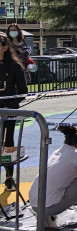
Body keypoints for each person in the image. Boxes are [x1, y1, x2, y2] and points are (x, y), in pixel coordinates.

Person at [0, 33, 27, 189]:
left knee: (8, 142)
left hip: (8, 110)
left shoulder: (15, 66)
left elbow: (23, 91)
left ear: (4, 47)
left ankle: (9, 176)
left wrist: (10, 107)